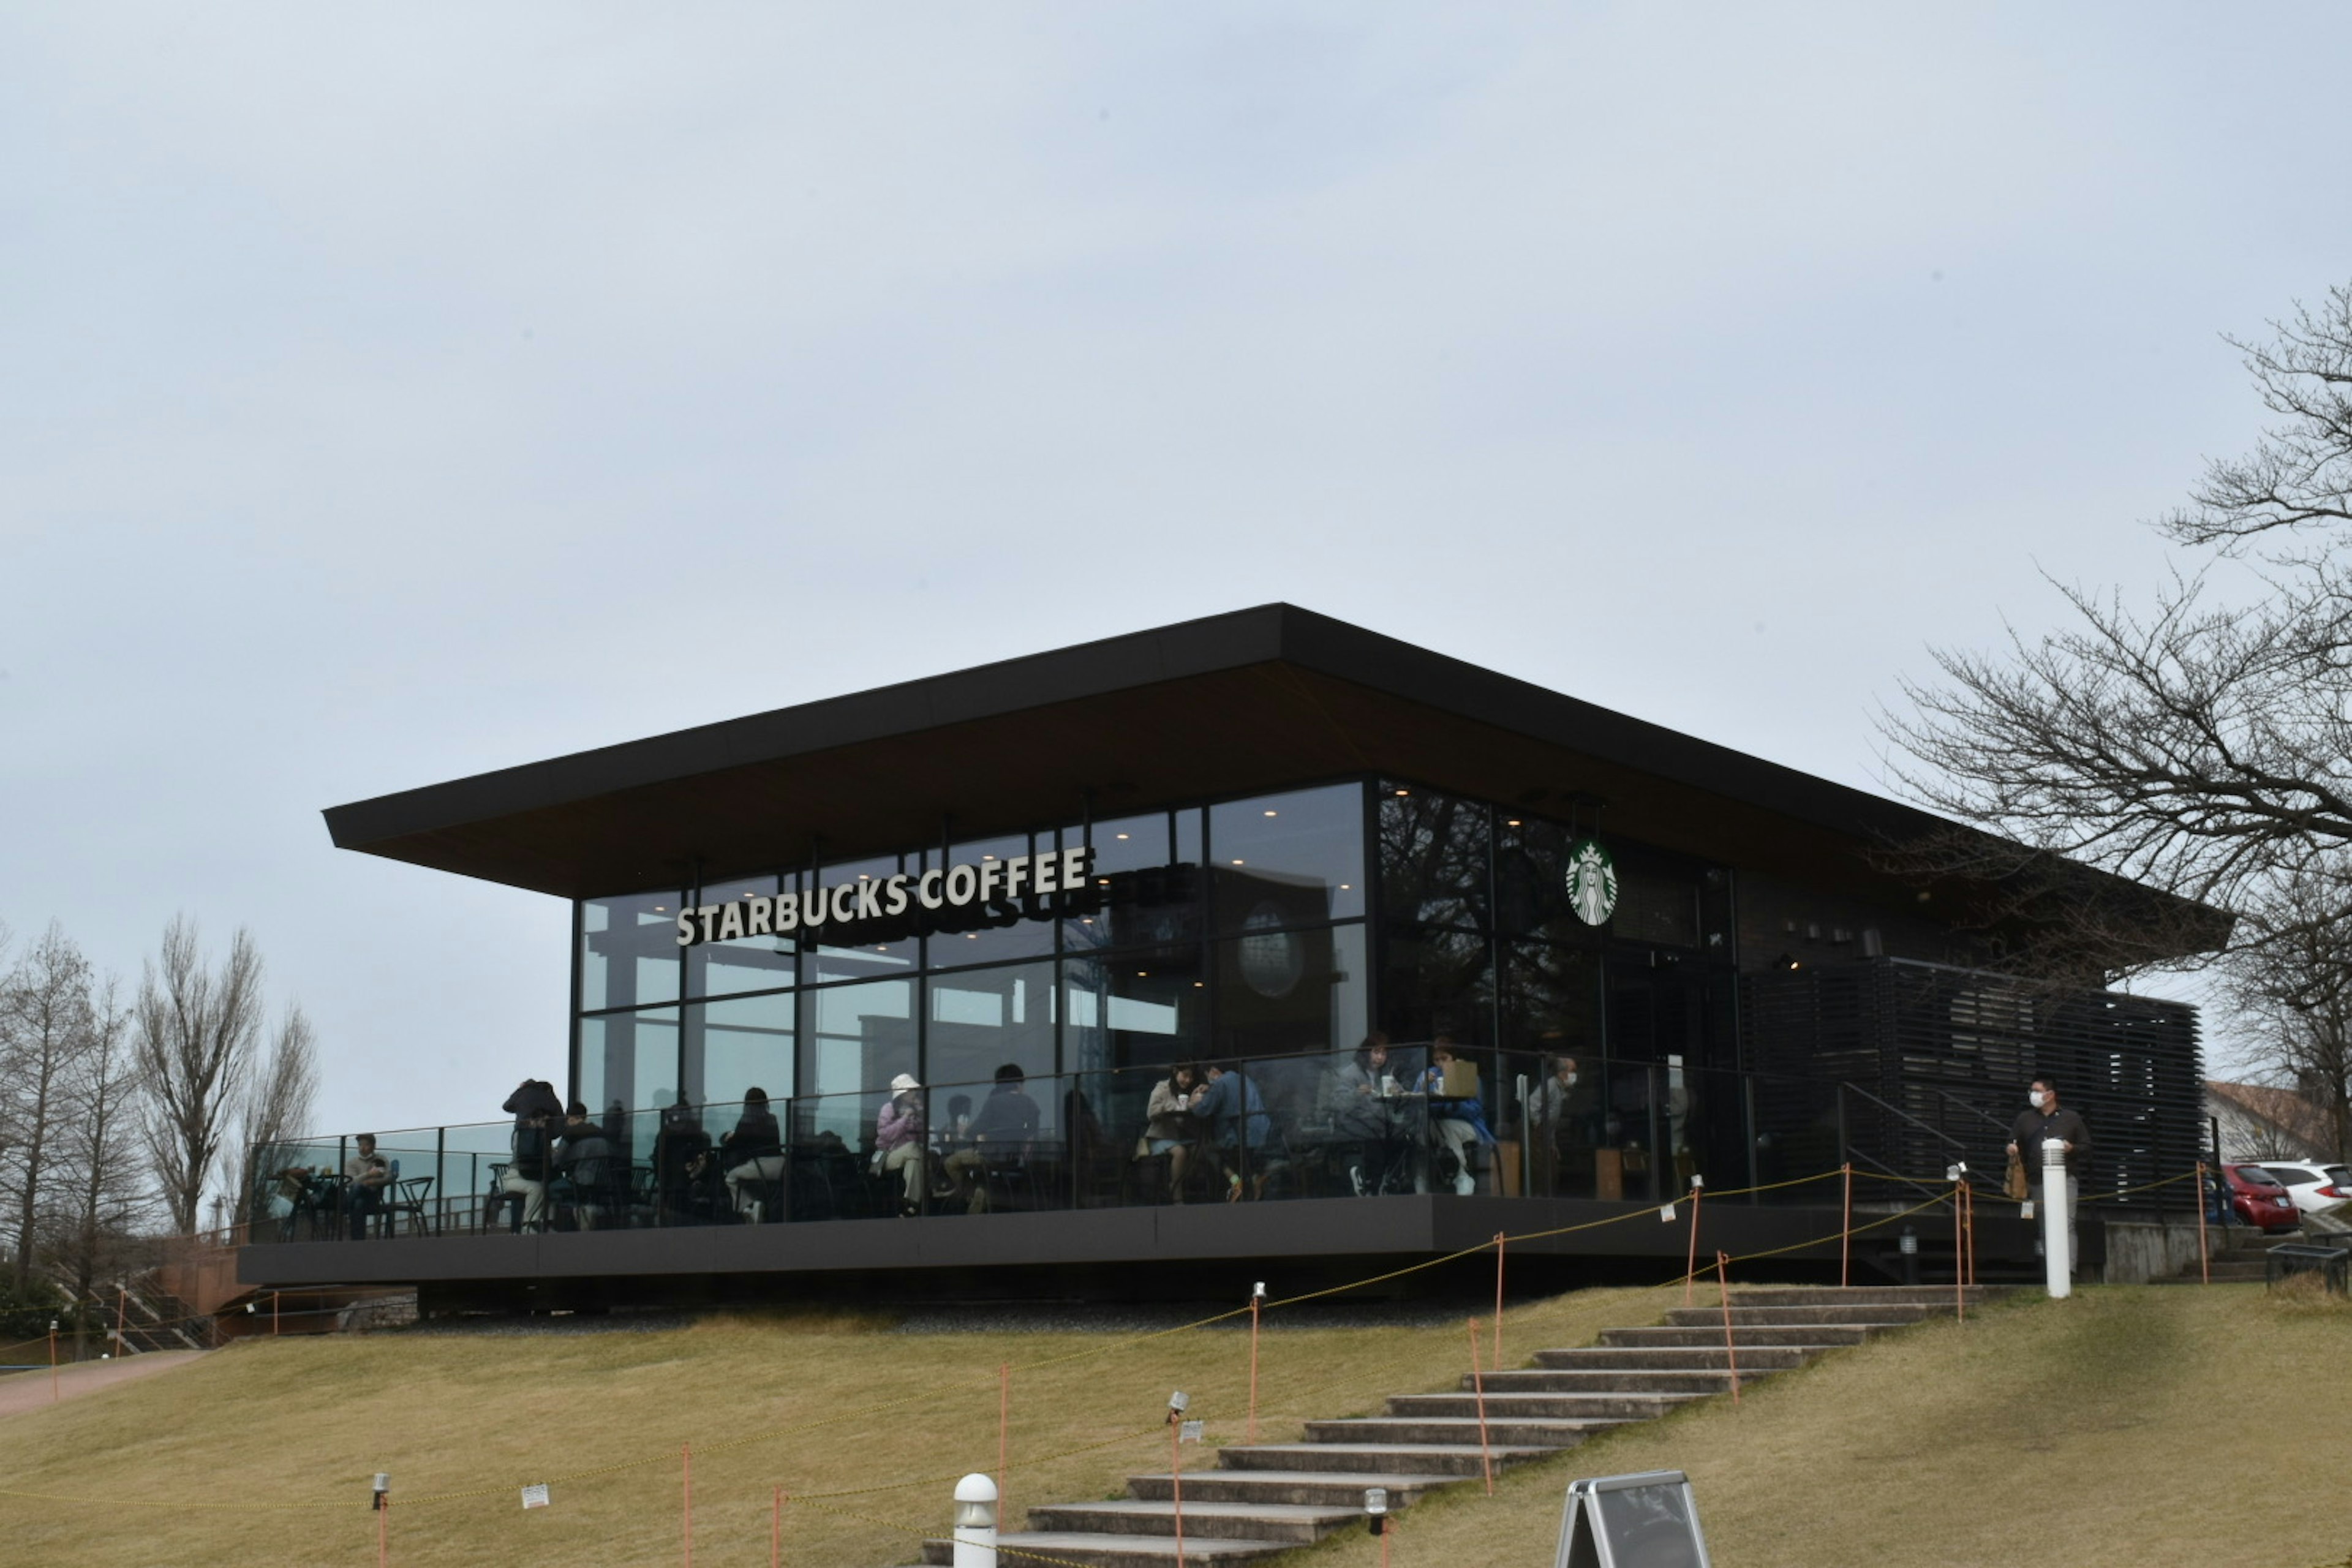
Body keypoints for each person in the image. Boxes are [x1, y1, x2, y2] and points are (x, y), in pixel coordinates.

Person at [2006, 1077, 2092, 1275]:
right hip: (2036, 1180)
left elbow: (2087, 1147)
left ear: (2050, 1094)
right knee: (2045, 1224)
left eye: (2037, 1090)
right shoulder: (2024, 1119)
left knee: (2067, 1222)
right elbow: (2012, 1141)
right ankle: (2053, 1270)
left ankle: (2069, 1271)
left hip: (2065, 1178)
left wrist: (2072, 1149)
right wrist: (2011, 1148)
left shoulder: (2071, 1118)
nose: (2032, 1095)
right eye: (2032, 1091)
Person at [946, 1064, 1042, 1214]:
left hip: (990, 1156)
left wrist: (964, 1130)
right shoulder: (1030, 1103)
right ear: (1017, 1083)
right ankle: (980, 1194)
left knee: (951, 1162)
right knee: (981, 1172)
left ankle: (972, 1194)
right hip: (1015, 1159)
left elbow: (975, 1131)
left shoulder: (994, 1102)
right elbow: (1033, 1132)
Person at [1331, 1036, 1406, 1197]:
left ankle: (1390, 1181)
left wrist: (1397, 1091)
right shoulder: (1350, 1073)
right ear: (1366, 1053)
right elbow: (1339, 1103)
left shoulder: (1384, 1074)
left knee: (1405, 1136)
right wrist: (1357, 1094)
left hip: (1380, 1125)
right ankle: (1367, 1181)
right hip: (1357, 1126)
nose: (1380, 1058)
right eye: (1376, 1052)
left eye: (1384, 1054)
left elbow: (1399, 1096)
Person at [1418, 1038, 1495, 1196]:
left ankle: (1462, 1174)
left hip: (1469, 1125)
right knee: (1421, 1130)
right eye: (1436, 1059)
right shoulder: (1428, 1075)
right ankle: (1422, 1177)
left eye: (1444, 1058)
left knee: (1447, 1127)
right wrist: (1424, 1087)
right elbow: (1417, 1103)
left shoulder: (1466, 1074)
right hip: (1436, 1123)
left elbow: (1476, 1110)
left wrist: (1454, 1104)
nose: (1440, 1063)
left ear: (1453, 1057)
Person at [1190, 1062, 1275, 1201]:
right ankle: (1254, 1178)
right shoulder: (1244, 1079)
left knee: (1208, 1148)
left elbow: (1203, 1110)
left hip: (1241, 1136)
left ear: (1213, 1071)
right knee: (1244, 1159)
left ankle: (1236, 1182)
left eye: (1207, 1077)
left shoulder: (1221, 1083)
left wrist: (1193, 1103)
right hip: (1262, 1132)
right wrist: (1211, 1088)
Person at [1525, 1055, 1587, 1198]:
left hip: (1544, 1133)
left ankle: (1546, 1198)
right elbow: (1531, 1105)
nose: (1574, 1075)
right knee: (1541, 1170)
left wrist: (1552, 1142)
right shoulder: (1551, 1085)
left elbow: (1551, 1121)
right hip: (1535, 1131)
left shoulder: (1560, 1090)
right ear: (1563, 1073)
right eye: (1573, 1071)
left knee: (1552, 1168)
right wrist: (1538, 1125)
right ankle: (1539, 1199)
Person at [722, 1088, 786, 1222]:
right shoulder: (772, 1119)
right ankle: (757, 1204)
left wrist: (729, 1138)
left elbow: (738, 1144)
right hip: (780, 1166)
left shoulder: (746, 1121)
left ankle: (748, 1207)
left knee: (731, 1177)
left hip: (761, 1166)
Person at [1142, 1062, 1203, 1202]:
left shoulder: (1190, 1090)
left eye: (1191, 1077)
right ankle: (1177, 1192)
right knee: (1180, 1152)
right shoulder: (1162, 1088)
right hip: (1160, 1136)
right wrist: (1170, 1107)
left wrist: (1194, 1104)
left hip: (1180, 1136)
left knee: (1199, 1150)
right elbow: (1151, 1113)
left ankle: (1181, 1180)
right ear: (1176, 1072)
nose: (1188, 1080)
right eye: (1185, 1076)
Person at [556, 1101, 619, 1230]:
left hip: (580, 1182)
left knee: (550, 1189)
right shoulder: (602, 1133)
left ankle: (552, 1226)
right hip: (603, 1182)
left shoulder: (571, 1133)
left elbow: (557, 1160)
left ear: (570, 1118)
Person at [872, 1074, 928, 1216]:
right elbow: (886, 1134)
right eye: (911, 1090)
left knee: (914, 1163)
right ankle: (933, 1185)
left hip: (911, 1155)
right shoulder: (888, 1109)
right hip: (890, 1155)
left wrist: (919, 1116)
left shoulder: (915, 1109)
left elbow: (922, 1136)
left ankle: (911, 1205)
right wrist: (904, 1119)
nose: (914, 1093)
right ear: (902, 1094)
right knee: (914, 1148)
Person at [344, 1134, 393, 1239]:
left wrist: (371, 1182)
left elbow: (388, 1178)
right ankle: (358, 1243)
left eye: (366, 1145)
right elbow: (349, 1182)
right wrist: (369, 1175)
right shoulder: (352, 1163)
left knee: (358, 1188)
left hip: (373, 1196)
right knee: (358, 1202)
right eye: (360, 1145)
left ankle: (343, 1206)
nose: (362, 1148)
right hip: (358, 1198)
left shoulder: (380, 1160)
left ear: (373, 1146)